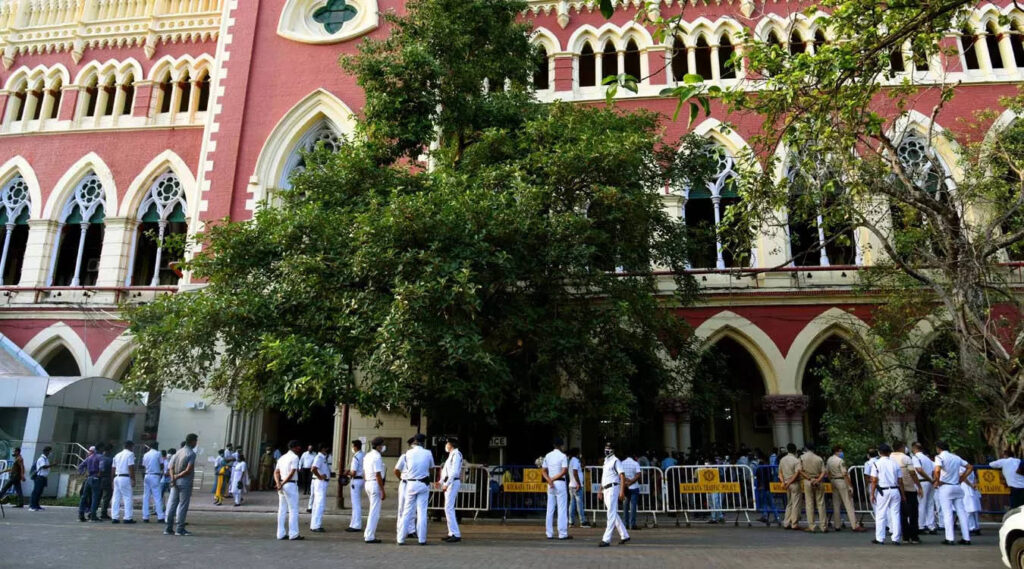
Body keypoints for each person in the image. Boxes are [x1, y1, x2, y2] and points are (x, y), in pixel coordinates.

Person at [396, 433, 434, 545]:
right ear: (424, 442)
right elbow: (431, 468)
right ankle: (422, 539)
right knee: (422, 512)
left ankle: (400, 538)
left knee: (407, 511)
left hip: (410, 484)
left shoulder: (408, 453)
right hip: (423, 484)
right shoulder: (428, 453)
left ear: (414, 441)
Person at [932, 440, 972, 545]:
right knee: (962, 513)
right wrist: (962, 478)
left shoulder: (939, 457)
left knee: (947, 513)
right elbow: (970, 467)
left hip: (945, 487)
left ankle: (949, 538)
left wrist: (936, 481)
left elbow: (937, 470)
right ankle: (966, 537)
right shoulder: (956, 457)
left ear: (938, 448)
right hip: (957, 486)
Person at [869, 443, 903, 545]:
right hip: (895, 490)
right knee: (895, 514)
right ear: (889, 452)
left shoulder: (876, 464)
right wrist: (903, 493)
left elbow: (874, 480)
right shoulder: (895, 463)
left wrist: (872, 493)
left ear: (879, 453)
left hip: (883, 490)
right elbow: (900, 480)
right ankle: (896, 538)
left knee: (880, 514)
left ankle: (880, 538)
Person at [826, 445, 865, 532]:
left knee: (836, 504)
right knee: (848, 503)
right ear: (836, 451)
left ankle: (837, 525)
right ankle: (854, 525)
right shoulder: (840, 461)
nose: (841, 453)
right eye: (840, 451)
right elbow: (844, 474)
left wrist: (831, 480)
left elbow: (827, 472)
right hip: (841, 481)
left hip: (833, 481)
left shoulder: (829, 460)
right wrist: (850, 485)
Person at [597, 441, 629, 547]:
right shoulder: (606, 461)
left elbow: (622, 476)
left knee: (610, 514)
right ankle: (624, 535)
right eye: (606, 447)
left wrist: (622, 491)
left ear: (613, 450)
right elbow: (604, 477)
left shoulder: (616, 461)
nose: (606, 449)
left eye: (609, 447)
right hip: (606, 489)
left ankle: (606, 539)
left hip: (612, 488)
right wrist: (600, 490)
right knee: (613, 513)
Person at [166, 433, 198, 536]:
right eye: (196, 441)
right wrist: (178, 476)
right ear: (193, 441)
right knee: (183, 505)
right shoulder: (191, 453)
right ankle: (180, 529)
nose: (196, 443)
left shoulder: (178, 452)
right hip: (185, 481)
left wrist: (173, 478)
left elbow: (170, 467)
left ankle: (168, 528)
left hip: (175, 482)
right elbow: (188, 469)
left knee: (172, 505)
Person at [891, 441, 921, 544]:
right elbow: (913, 473)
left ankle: (905, 537)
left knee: (902, 514)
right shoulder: (906, 458)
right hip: (909, 487)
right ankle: (914, 536)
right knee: (913, 513)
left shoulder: (890, 457)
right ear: (902, 447)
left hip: (897, 488)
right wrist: (919, 486)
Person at [542, 437, 571, 540]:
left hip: (550, 484)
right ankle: (562, 533)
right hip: (560, 483)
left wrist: (549, 480)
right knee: (562, 509)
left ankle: (549, 533)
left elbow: (543, 471)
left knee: (550, 509)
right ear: (561, 446)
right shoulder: (563, 456)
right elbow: (564, 471)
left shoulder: (548, 456)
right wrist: (553, 478)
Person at [275, 440, 303, 541]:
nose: (299, 449)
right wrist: (282, 483)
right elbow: (292, 472)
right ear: (295, 448)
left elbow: (276, 472)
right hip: (290, 484)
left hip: (282, 485)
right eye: (298, 447)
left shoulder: (282, 457)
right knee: (293, 509)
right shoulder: (294, 457)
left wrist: (279, 483)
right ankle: (293, 533)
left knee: (282, 510)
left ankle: (280, 534)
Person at [363, 437, 387, 543]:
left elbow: (364, 471)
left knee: (372, 510)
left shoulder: (367, 455)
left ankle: (368, 534)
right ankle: (369, 536)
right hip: (374, 483)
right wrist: (382, 490)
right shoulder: (377, 457)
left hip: (368, 482)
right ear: (378, 446)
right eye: (382, 445)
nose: (383, 447)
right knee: (374, 512)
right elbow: (378, 475)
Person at [799, 442, 827, 533]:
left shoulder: (802, 458)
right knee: (821, 503)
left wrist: (809, 478)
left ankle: (812, 526)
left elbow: (800, 470)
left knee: (809, 503)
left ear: (806, 448)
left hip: (808, 481)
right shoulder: (819, 458)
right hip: (818, 481)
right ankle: (823, 526)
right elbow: (823, 472)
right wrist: (818, 480)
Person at [392, 437, 416, 539]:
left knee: (413, 508)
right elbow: (396, 470)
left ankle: (411, 530)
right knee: (402, 507)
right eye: (414, 443)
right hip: (405, 483)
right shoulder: (404, 456)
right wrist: (401, 479)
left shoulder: (419, 456)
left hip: (413, 484)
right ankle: (400, 529)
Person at [440, 437, 463, 543]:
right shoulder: (452, 455)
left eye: (447, 443)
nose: (446, 445)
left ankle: (456, 533)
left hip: (453, 483)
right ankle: (451, 533)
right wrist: (441, 482)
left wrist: (446, 484)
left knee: (449, 508)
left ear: (451, 445)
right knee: (448, 508)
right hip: (450, 483)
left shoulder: (456, 455)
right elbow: (446, 471)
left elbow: (453, 472)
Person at [911, 442, 937, 535]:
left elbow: (919, 470)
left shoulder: (915, 458)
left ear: (914, 449)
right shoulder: (927, 458)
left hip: (921, 482)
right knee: (930, 504)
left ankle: (920, 525)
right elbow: (935, 469)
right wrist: (932, 479)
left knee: (921, 503)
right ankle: (931, 525)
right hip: (929, 483)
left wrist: (928, 478)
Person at [111, 441, 136, 524]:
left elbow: (113, 468)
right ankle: (127, 518)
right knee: (127, 497)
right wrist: (133, 479)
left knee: (116, 498)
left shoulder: (117, 455)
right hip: (125, 477)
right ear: (130, 446)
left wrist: (112, 480)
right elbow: (131, 467)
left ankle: (114, 517)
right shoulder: (130, 454)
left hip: (117, 477)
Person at [778, 443, 802, 530]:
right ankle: (794, 523)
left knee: (789, 503)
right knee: (795, 503)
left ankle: (786, 522)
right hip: (794, 483)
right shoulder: (796, 460)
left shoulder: (782, 460)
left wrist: (784, 482)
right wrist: (790, 482)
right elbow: (797, 473)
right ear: (795, 450)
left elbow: (780, 473)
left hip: (786, 483)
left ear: (788, 450)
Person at [141, 442, 165, 523]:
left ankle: (145, 516)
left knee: (146, 496)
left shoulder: (146, 454)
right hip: (155, 476)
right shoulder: (158, 453)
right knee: (157, 497)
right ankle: (160, 516)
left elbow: (144, 466)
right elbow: (162, 465)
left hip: (147, 475)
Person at [77, 446, 102, 522]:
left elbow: (80, 466)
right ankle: (93, 515)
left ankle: (81, 514)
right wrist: (99, 474)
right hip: (95, 478)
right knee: (95, 497)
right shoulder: (99, 457)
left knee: (84, 496)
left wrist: (83, 473)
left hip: (89, 478)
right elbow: (102, 468)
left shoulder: (89, 458)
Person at [309, 444, 330, 532]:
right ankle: (316, 525)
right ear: (322, 449)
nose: (327, 450)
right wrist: (320, 476)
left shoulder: (322, 457)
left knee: (317, 504)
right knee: (319, 504)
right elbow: (313, 469)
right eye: (325, 448)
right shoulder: (319, 457)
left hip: (322, 482)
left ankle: (314, 524)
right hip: (321, 482)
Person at [346, 439, 365, 533]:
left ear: (355, 447)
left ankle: (356, 524)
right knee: (356, 503)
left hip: (356, 480)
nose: (352, 448)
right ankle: (353, 523)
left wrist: (347, 473)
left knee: (355, 503)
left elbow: (353, 473)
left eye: (353, 446)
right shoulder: (364, 455)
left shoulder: (356, 457)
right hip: (362, 479)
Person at [568, 448, 588, 528]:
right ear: (577, 453)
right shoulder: (575, 461)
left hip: (571, 485)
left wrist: (581, 458)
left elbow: (583, 465)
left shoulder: (572, 460)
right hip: (576, 485)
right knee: (579, 504)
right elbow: (575, 472)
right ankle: (582, 521)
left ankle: (571, 521)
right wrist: (579, 483)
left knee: (572, 504)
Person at [621, 451, 641, 530]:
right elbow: (638, 474)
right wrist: (631, 481)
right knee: (633, 506)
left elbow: (620, 474)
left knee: (625, 506)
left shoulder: (622, 463)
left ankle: (625, 524)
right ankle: (633, 524)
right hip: (634, 487)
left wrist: (626, 481)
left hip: (625, 487)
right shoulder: (635, 463)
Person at [28, 446, 51, 511]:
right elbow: (43, 466)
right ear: (46, 451)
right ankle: (32, 506)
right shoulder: (41, 459)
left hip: (43, 477)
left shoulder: (46, 459)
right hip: (39, 477)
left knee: (40, 492)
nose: (50, 453)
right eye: (50, 451)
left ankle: (37, 505)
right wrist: (53, 465)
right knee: (36, 492)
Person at [97, 444, 114, 519]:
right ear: (109, 450)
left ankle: (92, 512)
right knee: (106, 497)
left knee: (97, 497)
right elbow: (112, 471)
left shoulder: (99, 458)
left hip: (99, 479)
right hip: (107, 479)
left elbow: (99, 470)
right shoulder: (110, 460)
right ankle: (103, 513)